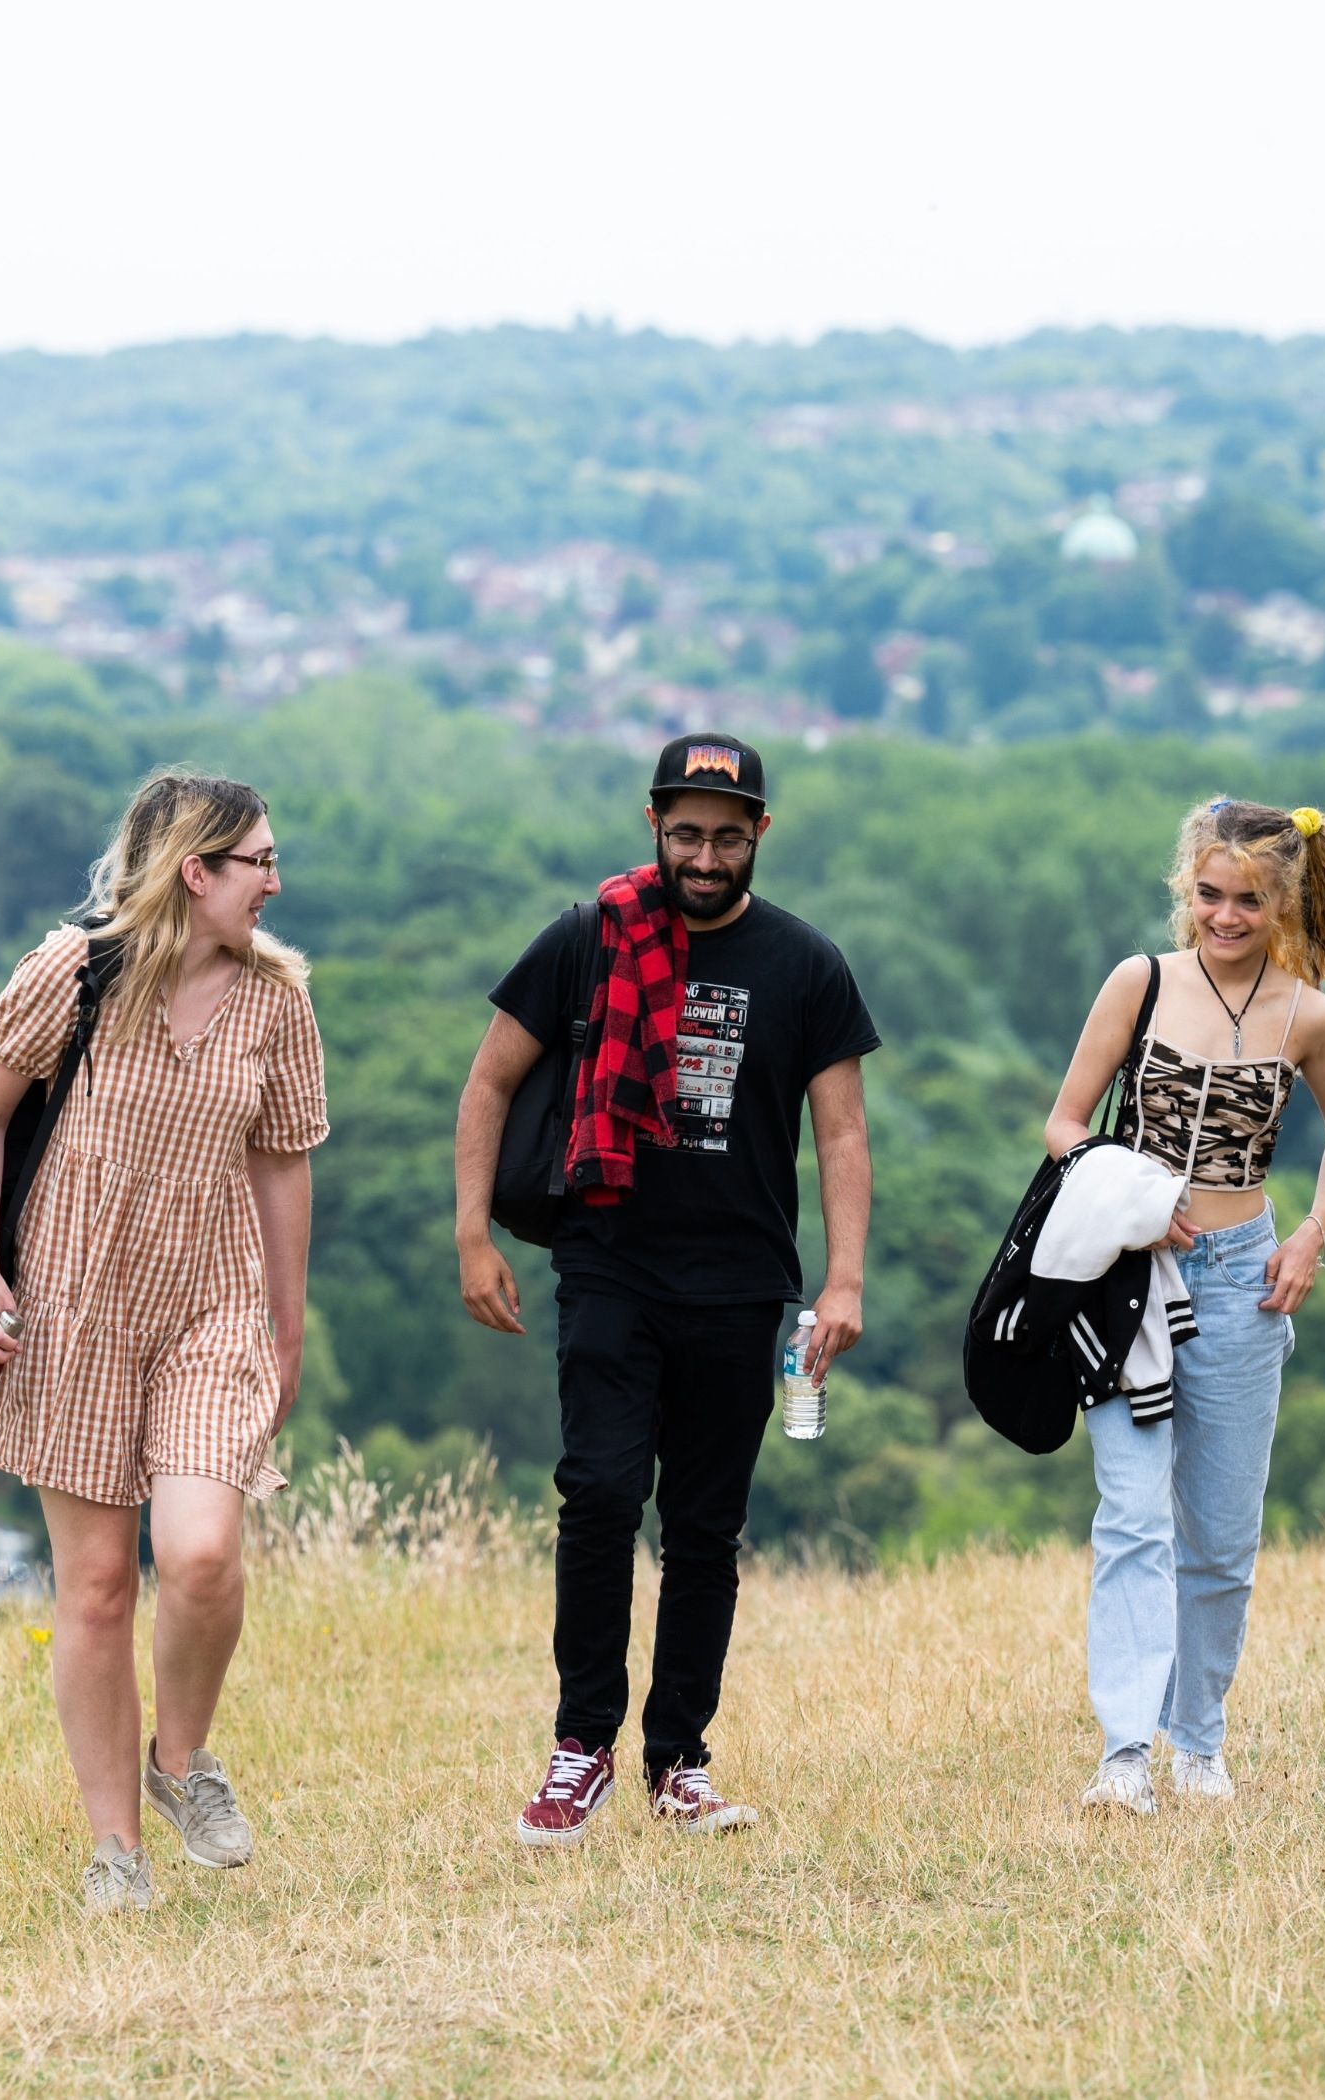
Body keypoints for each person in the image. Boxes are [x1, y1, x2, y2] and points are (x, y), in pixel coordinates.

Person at [454, 733, 877, 1846]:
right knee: (597, 1493)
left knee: (704, 1528)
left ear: (760, 839)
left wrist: (843, 1280)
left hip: (741, 1283)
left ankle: (678, 1757)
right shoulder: (587, 939)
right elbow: (490, 1080)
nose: (703, 856)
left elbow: (841, 1130)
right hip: (609, 1261)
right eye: (685, 833)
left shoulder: (807, 964)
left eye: (726, 837)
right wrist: (472, 1238)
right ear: (653, 824)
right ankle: (580, 1744)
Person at [0, 769, 329, 1910]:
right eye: (255, 859)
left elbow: (281, 1158)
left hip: (211, 1301)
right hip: (72, 1308)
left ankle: (183, 1761)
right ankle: (117, 1854)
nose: (275, 879)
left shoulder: (277, 1001)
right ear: (192, 871)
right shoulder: (70, 975)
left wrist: (287, 1316)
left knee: (204, 1552)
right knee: (101, 1588)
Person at [1040, 795, 1325, 1814]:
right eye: (1207, 895)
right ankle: (1124, 1757)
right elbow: (1063, 1125)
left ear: (1285, 902)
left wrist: (1311, 1233)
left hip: (1243, 1277)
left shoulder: (1308, 1016)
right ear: (1186, 888)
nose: (1223, 918)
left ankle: (1199, 1741)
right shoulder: (1139, 984)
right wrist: (1139, 1200)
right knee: (1133, 1519)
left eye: (1247, 901)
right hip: (1128, 1275)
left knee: (1222, 1536)